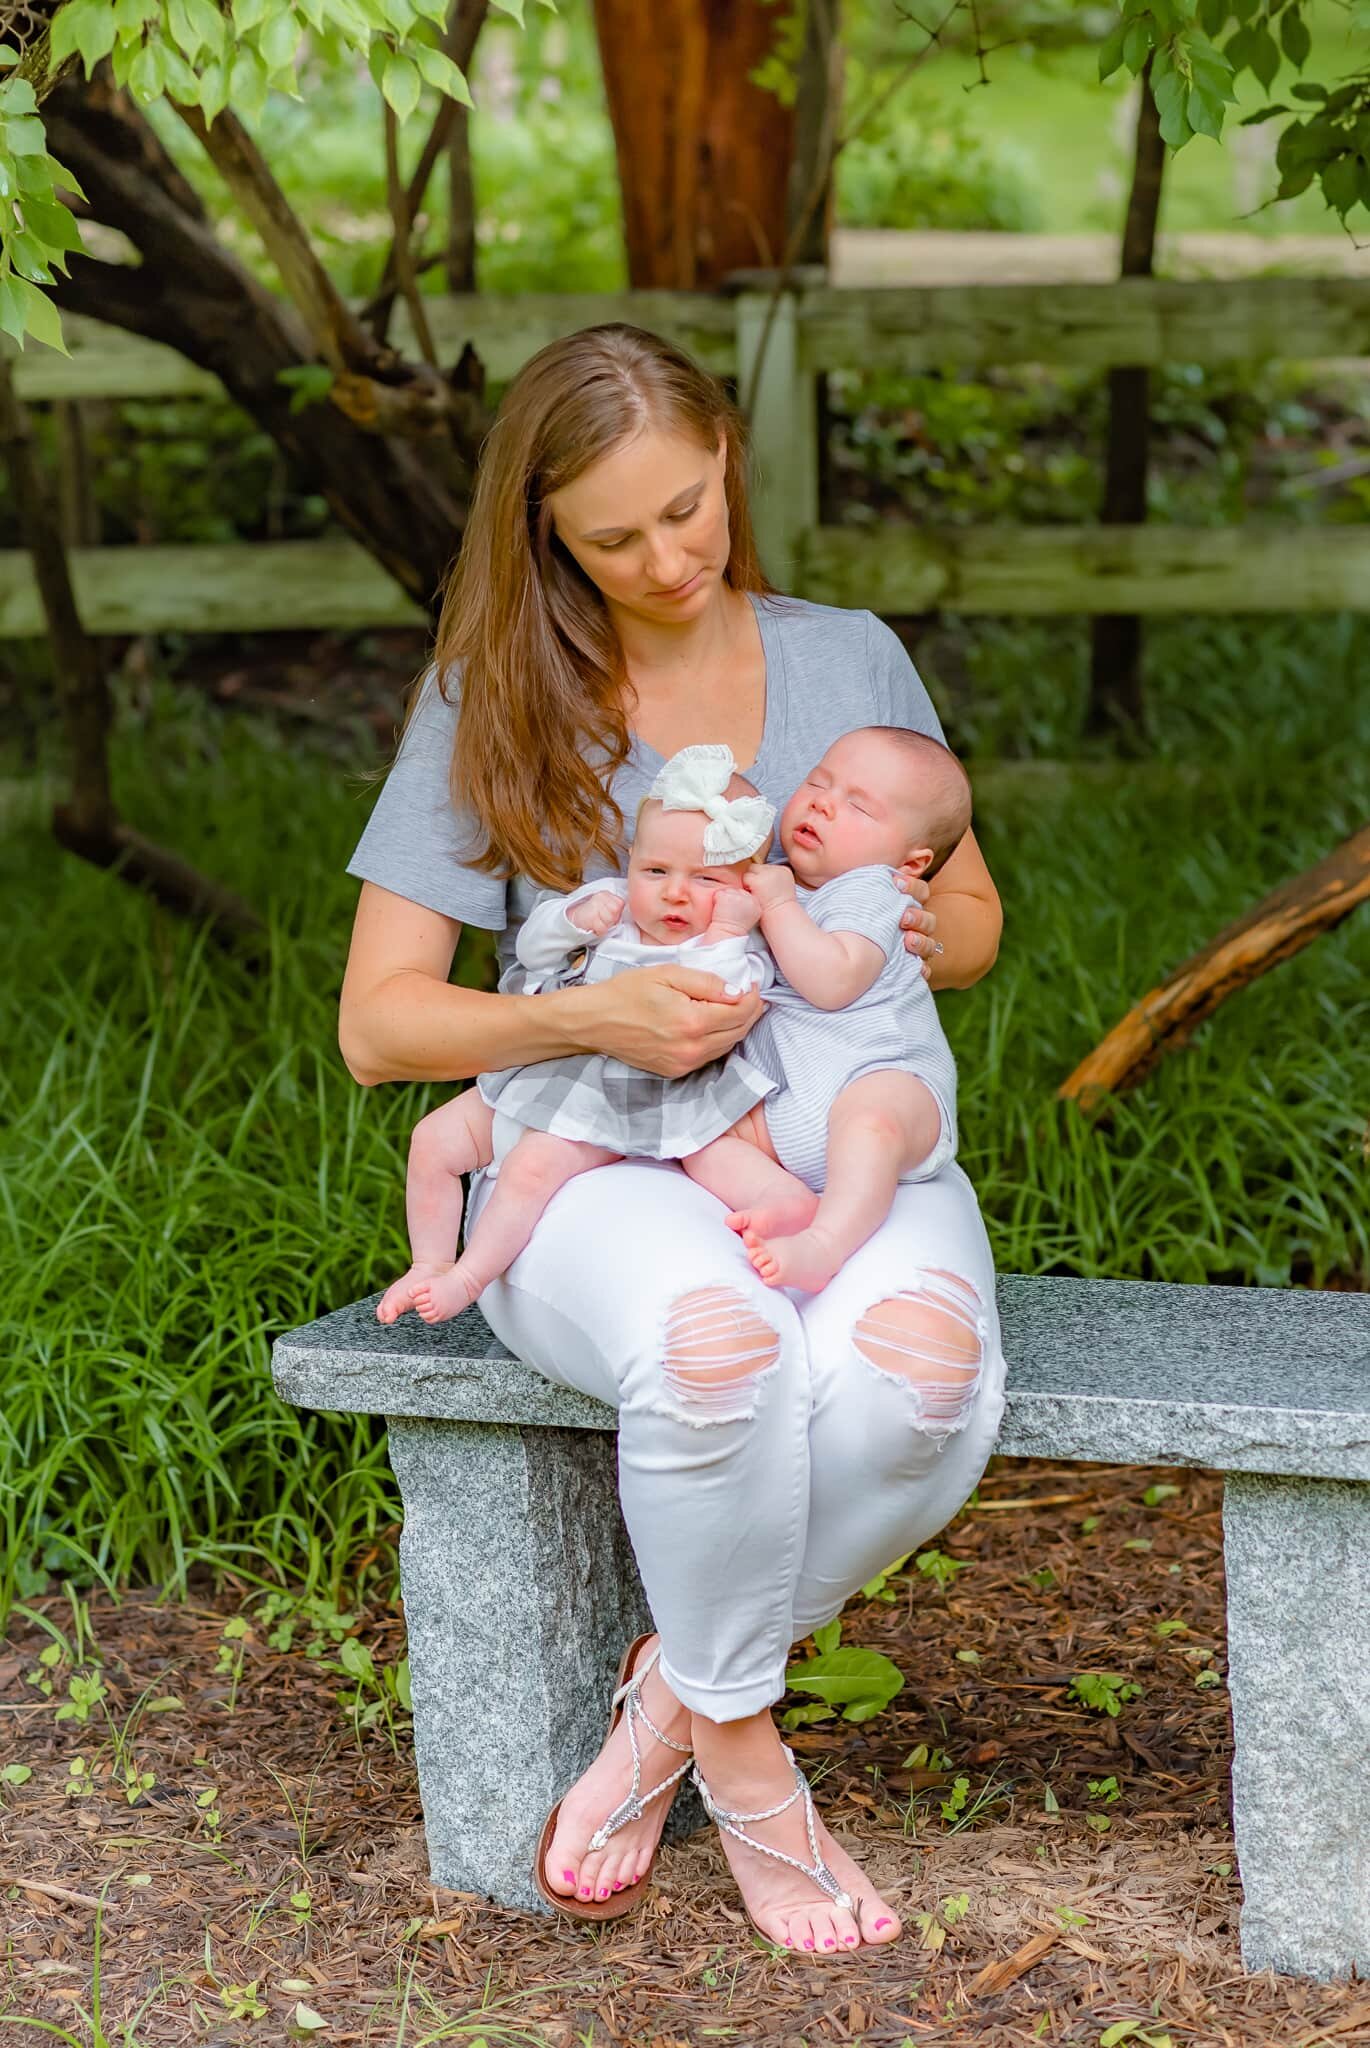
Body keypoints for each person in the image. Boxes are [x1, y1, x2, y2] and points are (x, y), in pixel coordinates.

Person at [340, 323, 1007, 1953]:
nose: (670, 556)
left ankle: (673, 1710)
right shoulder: (487, 699)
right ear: (544, 534)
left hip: (836, 1137)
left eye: (691, 506)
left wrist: (859, 921)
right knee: (717, 1354)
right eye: (616, 533)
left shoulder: (851, 657)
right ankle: (754, 1770)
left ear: (728, 455)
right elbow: (381, 1024)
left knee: (922, 1380)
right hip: (605, 1152)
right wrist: (588, 1013)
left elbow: (976, 919)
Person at [374, 753, 777, 1326]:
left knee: (533, 1167)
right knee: (434, 1140)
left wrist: (731, 931)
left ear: (744, 888)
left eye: (707, 879)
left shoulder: (735, 941)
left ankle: (469, 1277)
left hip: (628, 1096)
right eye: (656, 871)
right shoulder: (611, 905)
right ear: (633, 861)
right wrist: (571, 921)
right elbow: (534, 950)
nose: (675, 894)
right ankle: (428, 1262)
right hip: (549, 1068)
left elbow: (734, 996)